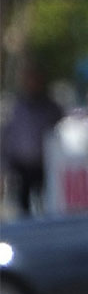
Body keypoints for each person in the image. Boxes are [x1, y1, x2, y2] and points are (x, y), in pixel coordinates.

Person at [0, 59, 63, 215]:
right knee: (22, 208)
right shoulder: (15, 107)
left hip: (44, 165)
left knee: (47, 204)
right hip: (21, 166)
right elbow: (7, 139)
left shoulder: (51, 108)